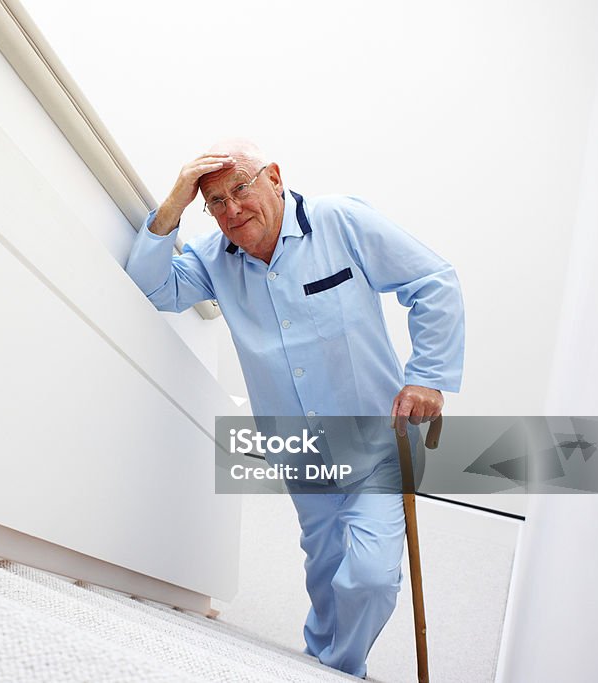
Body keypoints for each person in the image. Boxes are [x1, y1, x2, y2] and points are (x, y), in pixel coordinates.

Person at [125, 139, 464, 678]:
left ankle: (337, 667)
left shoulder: (341, 221)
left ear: (275, 178)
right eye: (214, 201)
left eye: (240, 189)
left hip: (379, 438)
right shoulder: (213, 258)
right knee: (328, 571)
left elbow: (433, 281)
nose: (231, 210)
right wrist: (172, 204)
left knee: (370, 576)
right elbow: (153, 288)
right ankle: (321, 662)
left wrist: (429, 377)